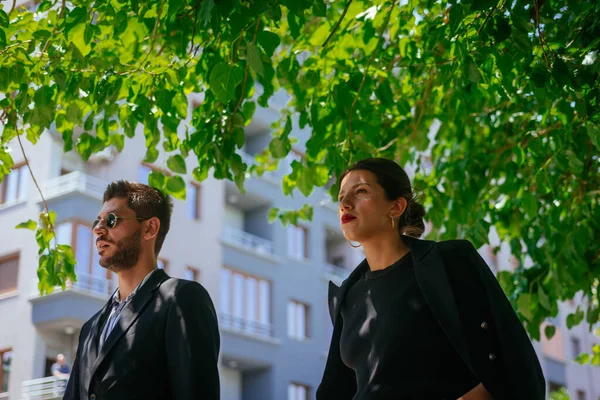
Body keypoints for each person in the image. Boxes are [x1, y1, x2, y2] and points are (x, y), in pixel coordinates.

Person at [317, 158, 545, 400]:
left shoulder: (450, 263)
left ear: (396, 206)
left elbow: (514, 363)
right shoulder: (348, 296)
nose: (345, 203)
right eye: (341, 197)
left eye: (360, 191)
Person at [64, 181, 220, 400]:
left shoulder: (182, 299)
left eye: (111, 220)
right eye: (96, 222)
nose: (98, 230)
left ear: (150, 228)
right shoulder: (90, 328)